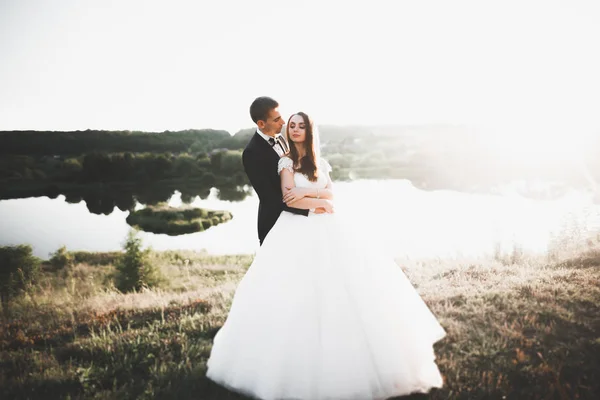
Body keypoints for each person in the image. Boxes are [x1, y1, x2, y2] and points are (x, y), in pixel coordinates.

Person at [206, 111, 447, 400]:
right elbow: (287, 197)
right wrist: (317, 203)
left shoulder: (321, 163)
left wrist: (317, 200)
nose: (294, 129)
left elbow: (330, 195)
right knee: (294, 290)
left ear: (309, 131)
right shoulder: (285, 161)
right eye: (291, 125)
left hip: (329, 226)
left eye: (300, 126)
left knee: (350, 285)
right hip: (295, 229)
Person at [242, 96, 310, 246]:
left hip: (297, 220)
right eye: (276, 119)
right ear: (261, 124)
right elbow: (269, 197)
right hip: (275, 224)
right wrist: (308, 209)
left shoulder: (281, 139)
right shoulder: (252, 153)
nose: (283, 122)